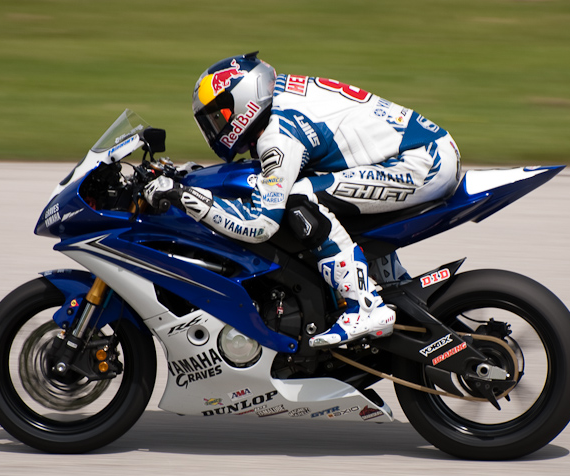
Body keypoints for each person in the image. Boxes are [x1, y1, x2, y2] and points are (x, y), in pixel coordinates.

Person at [144, 52, 461, 348]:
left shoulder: (279, 134)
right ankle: (395, 290)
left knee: (300, 198)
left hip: (422, 164)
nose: (216, 128)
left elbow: (260, 225)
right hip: (420, 153)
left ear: (243, 103)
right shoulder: (277, 97)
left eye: (219, 116)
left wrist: (186, 198)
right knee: (318, 194)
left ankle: (366, 305)